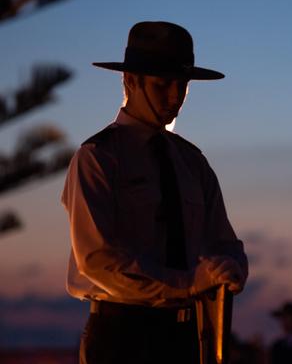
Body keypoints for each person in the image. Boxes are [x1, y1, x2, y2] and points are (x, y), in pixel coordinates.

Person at [62, 21, 248, 364]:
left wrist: (231, 268)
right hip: (121, 337)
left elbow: (225, 242)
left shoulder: (193, 163)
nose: (176, 97)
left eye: (183, 85)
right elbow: (98, 261)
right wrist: (189, 282)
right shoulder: (98, 157)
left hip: (185, 336)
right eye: (163, 85)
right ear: (130, 80)